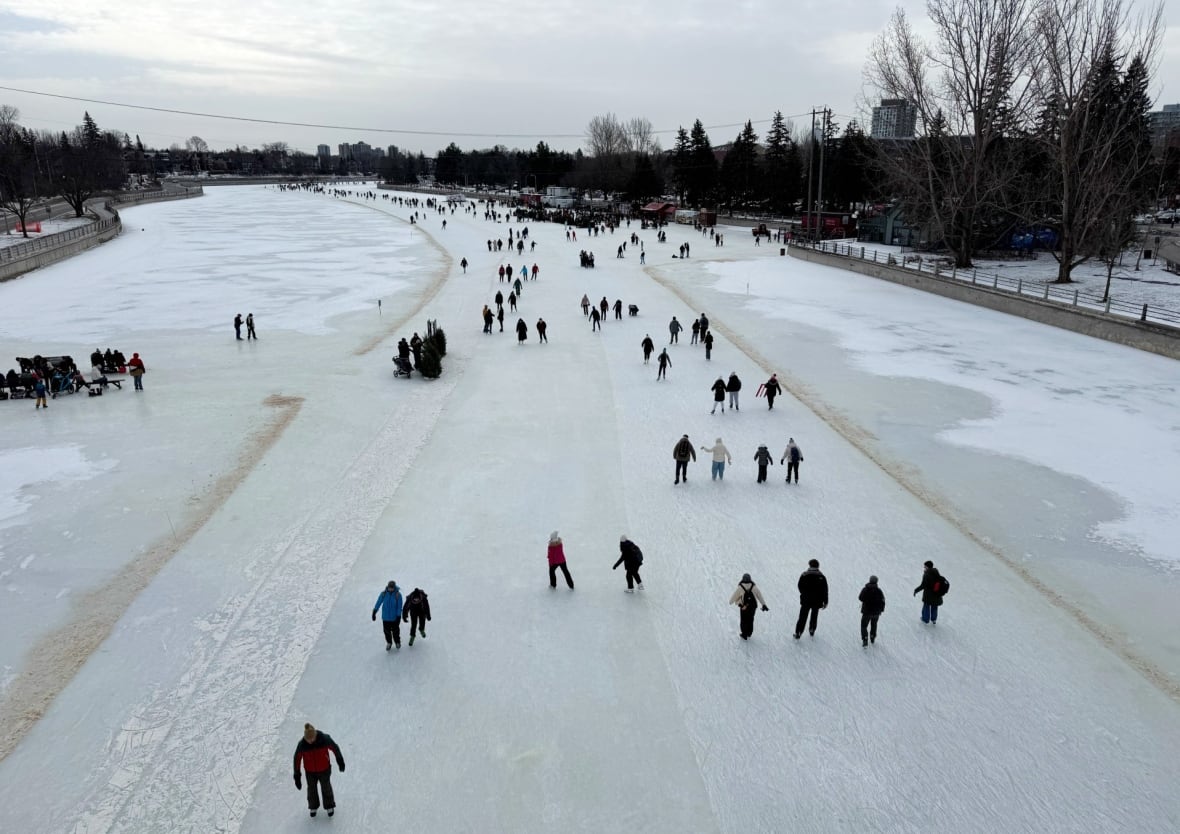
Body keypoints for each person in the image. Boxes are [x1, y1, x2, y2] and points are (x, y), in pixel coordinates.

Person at [293, 723, 345, 818]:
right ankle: (313, 806)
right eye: (308, 739)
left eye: (312, 738)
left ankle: (329, 806)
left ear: (315, 735)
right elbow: (297, 759)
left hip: (324, 769)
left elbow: (335, 748)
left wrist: (340, 760)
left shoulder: (324, 739)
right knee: (311, 789)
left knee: (326, 787)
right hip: (310, 772)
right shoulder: (302, 745)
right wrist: (297, 775)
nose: (310, 741)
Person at [794, 559, 828, 638]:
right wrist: (825, 601)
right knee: (814, 615)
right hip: (817, 600)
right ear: (818, 566)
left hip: (806, 600)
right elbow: (825, 590)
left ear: (810, 565)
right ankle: (812, 629)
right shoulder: (821, 577)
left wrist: (804, 594)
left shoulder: (804, 575)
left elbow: (799, 586)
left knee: (803, 616)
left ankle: (799, 632)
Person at [729, 573, 769, 640]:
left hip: (744, 607)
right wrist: (764, 604)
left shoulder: (740, 587)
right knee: (750, 619)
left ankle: (744, 634)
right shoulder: (754, 587)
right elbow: (760, 596)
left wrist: (732, 602)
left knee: (744, 620)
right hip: (752, 607)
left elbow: (733, 598)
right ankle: (749, 633)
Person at [913, 560, 949, 624]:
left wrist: (916, 590)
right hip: (937, 594)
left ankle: (925, 619)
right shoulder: (936, 573)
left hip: (929, 595)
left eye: (925, 567)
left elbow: (923, 585)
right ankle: (934, 619)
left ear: (927, 567)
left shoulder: (927, 575)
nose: (924, 568)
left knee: (926, 606)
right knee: (934, 606)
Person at [372, 580, 404, 650]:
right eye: (389, 587)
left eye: (392, 588)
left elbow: (399, 607)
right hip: (385, 618)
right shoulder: (383, 594)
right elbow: (378, 602)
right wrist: (374, 611)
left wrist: (398, 616)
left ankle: (397, 642)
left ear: (394, 587)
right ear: (388, 587)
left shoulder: (398, 595)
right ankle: (389, 642)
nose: (390, 589)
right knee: (386, 632)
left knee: (396, 631)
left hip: (394, 618)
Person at [858, 576, 886, 647]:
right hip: (876, 613)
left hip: (866, 612)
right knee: (874, 624)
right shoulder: (879, 591)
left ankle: (865, 639)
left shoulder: (865, 589)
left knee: (864, 626)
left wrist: (867, 600)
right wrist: (881, 610)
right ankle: (872, 637)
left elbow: (860, 597)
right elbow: (883, 601)